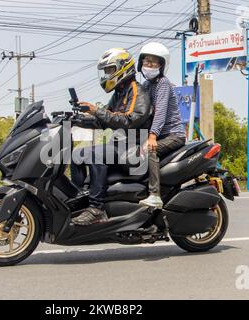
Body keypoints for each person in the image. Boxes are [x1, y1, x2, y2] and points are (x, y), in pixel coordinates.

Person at [71, 48, 152, 226]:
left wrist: (97, 111)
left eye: (109, 70)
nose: (106, 75)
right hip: (119, 146)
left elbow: (129, 120)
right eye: (106, 71)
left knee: (96, 154)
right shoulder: (119, 93)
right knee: (77, 155)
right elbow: (106, 120)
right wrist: (80, 119)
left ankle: (96, 209)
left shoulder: (138, 91)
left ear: (122, 68)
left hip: (134, 148)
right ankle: (78, 200)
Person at [137, 42, 186, 208]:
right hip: (161, 135)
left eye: (153, 62)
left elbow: (161, 112)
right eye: (146, 61)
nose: (149, 65)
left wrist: (152, 136)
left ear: (161, 65)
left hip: (173, 134)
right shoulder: (146, 85)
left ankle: (155, 195)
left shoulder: (163, 83)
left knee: (151, 149)